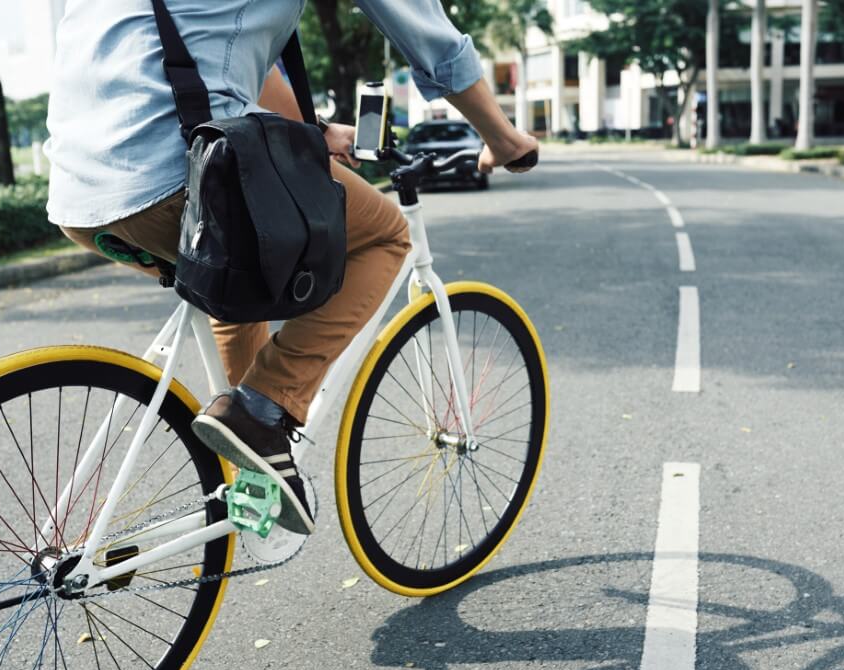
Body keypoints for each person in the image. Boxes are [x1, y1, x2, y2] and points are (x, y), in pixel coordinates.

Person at [44, 0, 539, 537]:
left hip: (80, 197)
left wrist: (316, 132)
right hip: (180, 171)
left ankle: (255, 465)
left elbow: (220, 54)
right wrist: (503, 138)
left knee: (239, 273)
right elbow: (429, 35)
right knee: (385, 235)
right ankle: (262, 410)